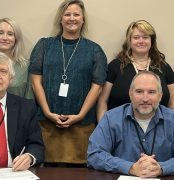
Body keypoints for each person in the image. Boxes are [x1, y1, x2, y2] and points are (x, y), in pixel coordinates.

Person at [29, 0, 107, 166]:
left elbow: (97, 86)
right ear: (61, 19)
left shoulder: (94, 50)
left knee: (80, 174)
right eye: (67, 14)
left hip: (82, 127)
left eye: (76, 14)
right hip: (47, 125)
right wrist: (48, 112)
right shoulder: (44, 45)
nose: (72, 18)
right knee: (47, 173)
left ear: (83, 19)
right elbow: (36, 82)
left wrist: (80, 115)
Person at [87, 71, 174, 177]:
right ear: (130, 94)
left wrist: (160, 168)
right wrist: (130, 168)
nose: (145, 98)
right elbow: (94, 155)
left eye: (151, 92)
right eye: (139, 91)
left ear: (160, 95)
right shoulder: (111, 118)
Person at [97, 20, 174, 122]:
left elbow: (173, 102)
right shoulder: (115, 66)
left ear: (151, 41)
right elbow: (102, 102)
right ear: (129, 41)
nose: (141, 41)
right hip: (119, 129)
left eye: (145, 37)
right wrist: (103, 129)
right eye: (136, 37)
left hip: (158, 131)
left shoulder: (164, 67)